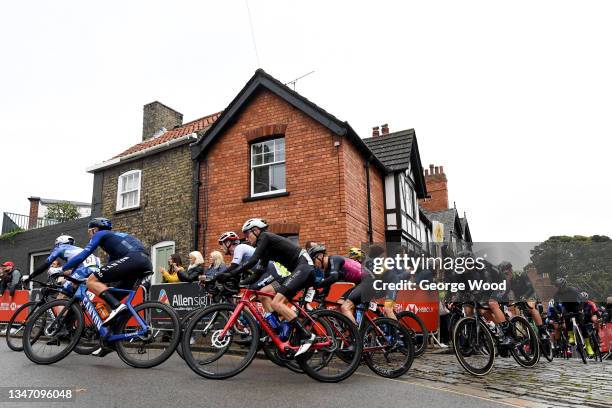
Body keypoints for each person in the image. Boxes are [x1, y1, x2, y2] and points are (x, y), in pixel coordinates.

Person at [217, 218, 316, 355]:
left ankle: (307, 335)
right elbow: (258, 273)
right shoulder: (266, 250)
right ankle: (281, 329)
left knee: (277, 302)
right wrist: (242, 284)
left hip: (304, 267)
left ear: (256, 230)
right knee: (264, 292)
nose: (246, 238)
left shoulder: (265, 236)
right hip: (293, 273)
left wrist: (229, 274)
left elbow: (252, 261)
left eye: (247, 234)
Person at [61, 218, 152, 329]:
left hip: (134, 259)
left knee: (92, 281)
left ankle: (117, 307)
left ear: (94, 230)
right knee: (111, 299)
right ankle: (112, 337)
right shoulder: (114, 242)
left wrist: (62, 269)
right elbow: (108, 271)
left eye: (89, 232)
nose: (89, 235)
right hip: (144, 262)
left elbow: (83, 254)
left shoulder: (100, 234)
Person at [309, 245, 370, 325]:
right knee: (339, 303)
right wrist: (315, 296)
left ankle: (356, 335)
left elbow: (334, 277)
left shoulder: (334, 259)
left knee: (345, 307)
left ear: (320, 256)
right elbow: (325, 291)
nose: (314, 265)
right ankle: (348, 332)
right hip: (360, 283)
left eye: (314, 261)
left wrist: (316, 285)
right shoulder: (327, 272)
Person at [23, 235, 100, 296]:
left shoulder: (60, 248)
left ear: (59, 243)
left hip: (84, 269)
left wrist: (30, 277)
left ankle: (63, 315)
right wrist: (60, 273)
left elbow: (45, 264)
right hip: (94, 268)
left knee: (62, 295)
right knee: (66, 283)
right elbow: (73, 271)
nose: (56, 247)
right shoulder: (77, 249)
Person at [499, 261, 547, 339]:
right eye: (503, 274)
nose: (505, 276)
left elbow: (531, 288)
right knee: (517, 313)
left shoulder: (521, 274)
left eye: (506, 273)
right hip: (518, 297)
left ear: (511, 270)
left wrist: (525, 296)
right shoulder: (505, 281)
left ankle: (542, 331)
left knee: (530, 307)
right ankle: (527, 334)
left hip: (530, 293)